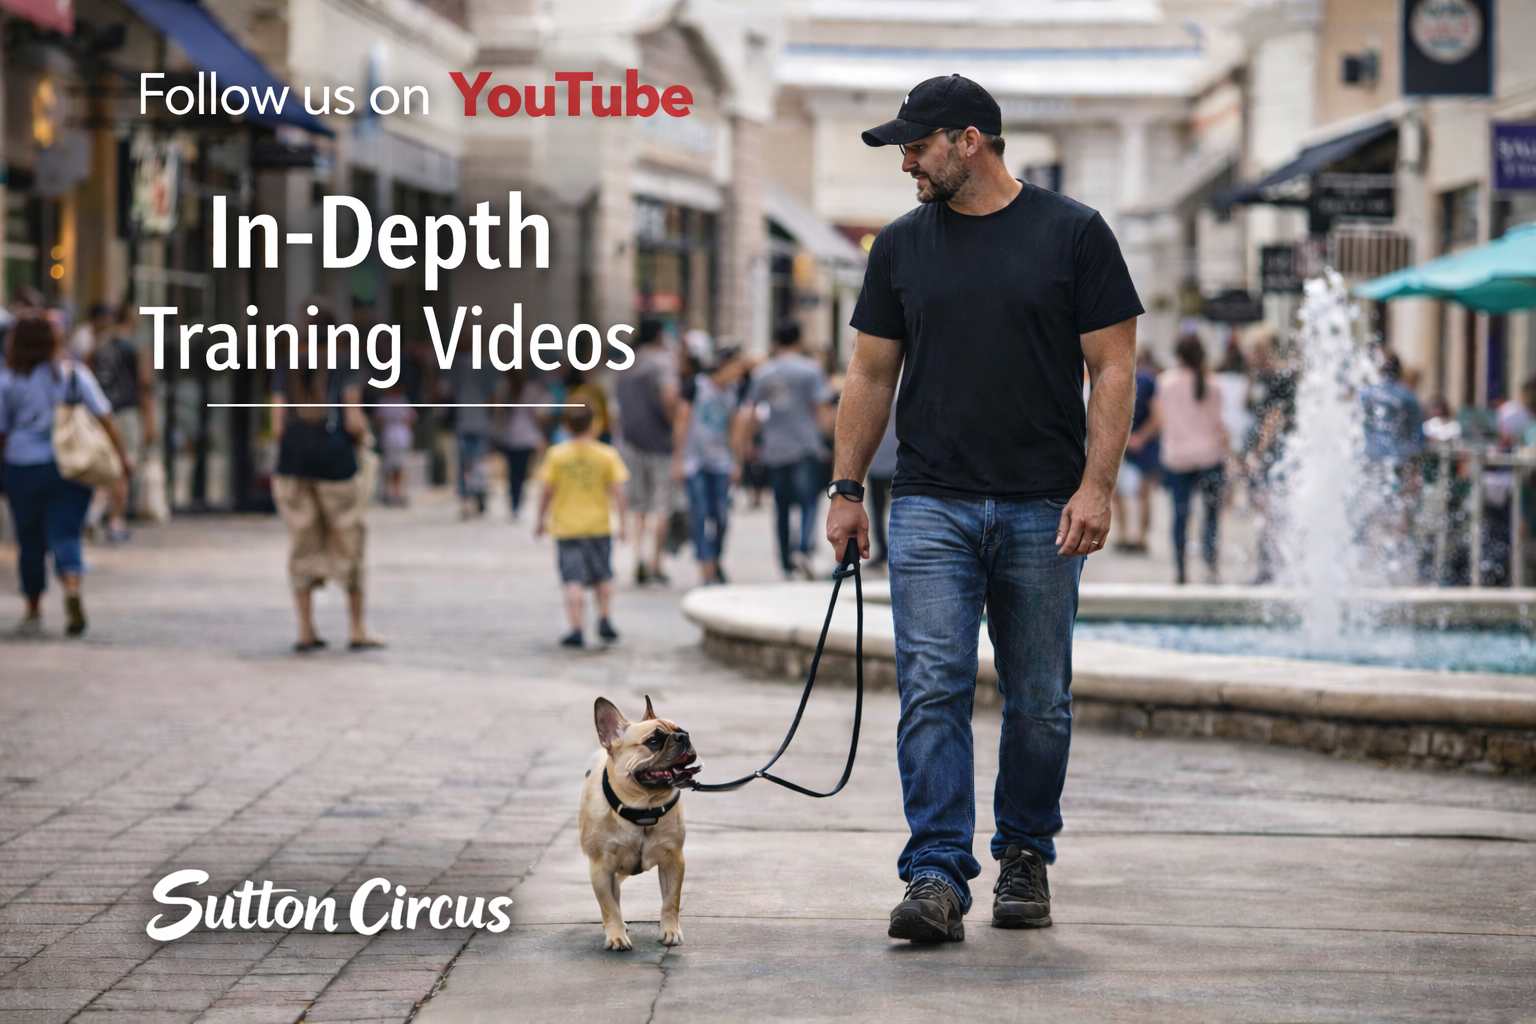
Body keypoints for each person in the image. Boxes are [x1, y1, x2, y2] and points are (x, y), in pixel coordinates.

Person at [826, 75, 1141, 943]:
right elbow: (870, 374)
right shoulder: (899, 246)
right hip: (930, 502)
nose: (906, 165)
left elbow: (1113, 367)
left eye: (916, 147)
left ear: (971, 140)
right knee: (932, 689)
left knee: (1039, 699)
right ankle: (935, 872)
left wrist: (1097, 487)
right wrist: (847, 488)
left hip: (1046, 504)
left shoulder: (1074, 232)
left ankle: (1025, 855)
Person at [0, 315, 132, 636]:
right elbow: (105, 417)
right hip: (71, 465)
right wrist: (122, 456)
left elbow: (1, 432)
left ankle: (33, 611)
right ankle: (72, 586)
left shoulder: (7, 380)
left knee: (29, 539)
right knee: (66, 532)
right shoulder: (73, 374)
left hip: (22, 466)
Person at [270, 346, 383, 653]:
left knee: (302, 542)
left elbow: (277, 426)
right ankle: (356, 628)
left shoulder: (286, 364)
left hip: (293, 465)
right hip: (337, 464)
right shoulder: (344, 363)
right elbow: (353, 422)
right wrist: (364, 440)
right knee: (350, 541)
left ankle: (306, 629)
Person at [735, 318, 835, 580]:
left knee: (780, 506)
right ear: (800, 340)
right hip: (806, 445)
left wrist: (748, 443)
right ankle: (803, 548)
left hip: (775, 447)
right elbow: (822, 410)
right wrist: (830, 440)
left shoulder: (764, 372)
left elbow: (751, 411)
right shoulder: (812, 370)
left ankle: (784, 559)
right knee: (808, 500)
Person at [534, 404, 628, 647]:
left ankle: (576, 628)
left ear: (567, 425)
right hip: (598, 525)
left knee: (572, 579)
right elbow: (618, 491)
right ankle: (604, 617)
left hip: (567, 528)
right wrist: (623, 522)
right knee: (603, 574)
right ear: (594, 424)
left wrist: (540, 519)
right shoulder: (607, 454)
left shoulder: (557, 455)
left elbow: (547, 490)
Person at [1150, 336, 1228, 585]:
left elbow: (1158, 418)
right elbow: (1220, 424)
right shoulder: (1214, 383)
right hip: (1210, 456)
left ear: (1179, 356)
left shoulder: (1165, 382)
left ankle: (1180, 569)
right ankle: (1211, 567)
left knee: (1180, 514)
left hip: (1177, 457)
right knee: (1211, 515)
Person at [614, 320, 680, 585]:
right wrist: (675, 425)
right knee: (661, 506)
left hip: (631, 442)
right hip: (660, 443)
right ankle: (655, 563)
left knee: (638, 505)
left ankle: (638, 556)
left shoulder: (626, 364)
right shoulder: (662, 362)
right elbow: (670, 398)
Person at [678, 344, 747, 584]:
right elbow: (682, 422)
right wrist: (678, 459)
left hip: (721, 461)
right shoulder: (696, 386)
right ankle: (706, 567)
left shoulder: (735, 391)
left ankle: (715, 560)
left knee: (721, 515)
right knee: (699, 513)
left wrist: (737, 462)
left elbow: (735, 428)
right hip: (695, 461)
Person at [91, 307, 156, 542]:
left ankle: (94, 514)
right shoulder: (136, 347)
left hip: (100, 413)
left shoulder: (99, 345)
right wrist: (150, 420)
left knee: (102, 467)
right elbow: (145, 386)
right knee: (123, 466)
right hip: (126, 413)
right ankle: (115, 521)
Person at [1113, 348, 1160, 553]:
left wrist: (1140, 437)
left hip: (1136, 442)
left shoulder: (1145, 379)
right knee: (1135, 493)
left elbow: (1157, 415)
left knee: (1135, 492)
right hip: (1133, 442)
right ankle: (1133, 536)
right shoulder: (1144, 378)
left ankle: (1131, 536)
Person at [446, 355, 500, 519]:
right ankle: (479, 492)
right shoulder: (485, 370)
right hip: (479, 422)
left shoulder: (457, 369)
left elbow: (446, 391)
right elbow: (493, 398)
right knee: (478, 462)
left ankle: (467, 500)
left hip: (464, 423)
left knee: (465, 465)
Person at [495, 368, 550, 521]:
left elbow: (498, 413)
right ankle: (517, 504)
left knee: (513, 474)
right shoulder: (529, 390)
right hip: (526, 437)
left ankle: (514, 504)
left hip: (511, 437)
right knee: (522, 473)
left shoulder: (505, 390)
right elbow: (539, 414)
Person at [373, 384, 417, 507]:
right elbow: (376, 418)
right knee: (388, 468)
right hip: (388, 438)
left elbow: (413, 416)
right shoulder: (383, 401)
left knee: (400, 467)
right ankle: (387, 493)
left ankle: (397, 494)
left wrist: (404, 422)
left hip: (402, 439)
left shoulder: (402, 400)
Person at [867, 414, 898, 565]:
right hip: (885, 459)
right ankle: (885, 549)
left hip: (889, 459)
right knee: (882, 510)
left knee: (880, 510)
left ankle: (885, 550)